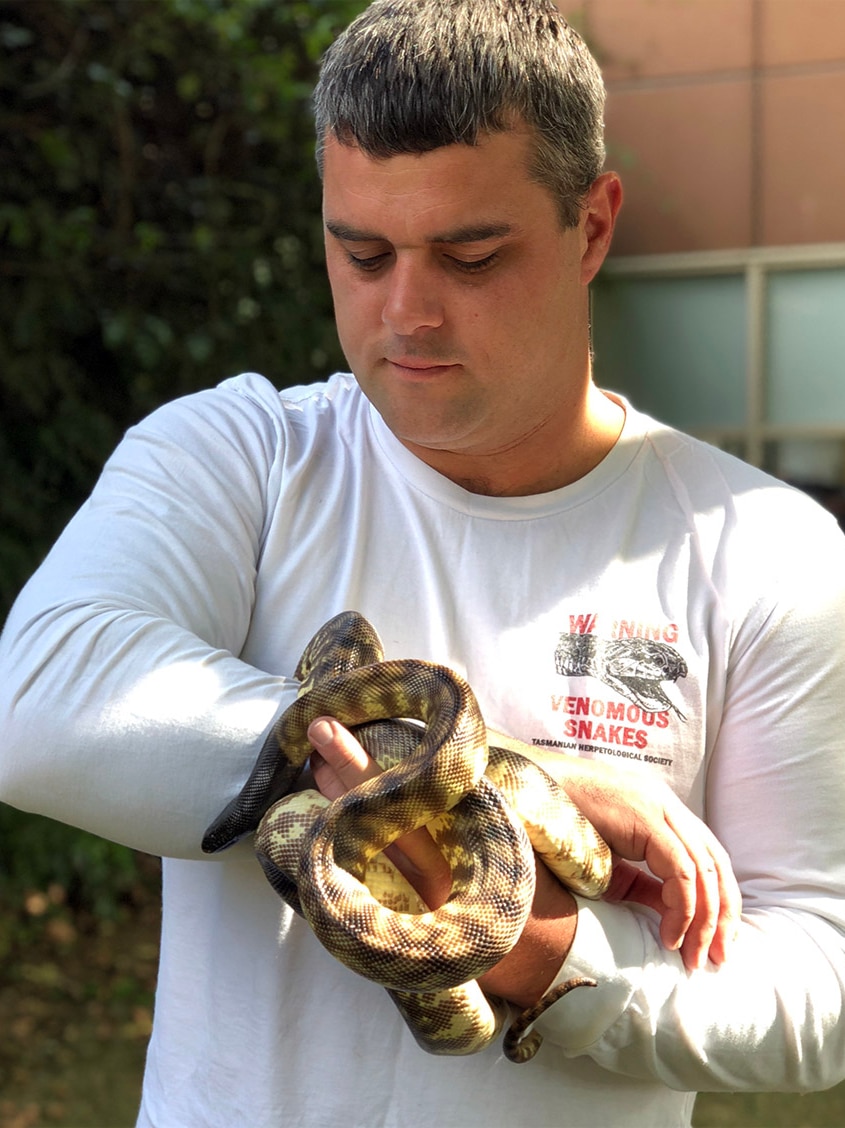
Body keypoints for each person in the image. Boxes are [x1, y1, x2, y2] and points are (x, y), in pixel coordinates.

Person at [1, 1, 844, 1124]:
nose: (405, 312)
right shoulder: (242, 456)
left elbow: (816, 986)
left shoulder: (761, 548)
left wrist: (533, 944)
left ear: (590, 228)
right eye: (361, 252)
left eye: (470, 254)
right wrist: (506, 775)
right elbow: (37, 704)